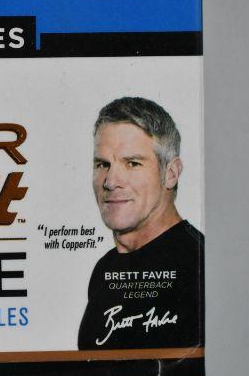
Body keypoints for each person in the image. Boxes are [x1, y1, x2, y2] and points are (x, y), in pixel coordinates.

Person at [78, 97, 204, 355]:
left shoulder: (200, 266)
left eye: (132, 163)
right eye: (102, 164)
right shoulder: (106, 269)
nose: (110, 181)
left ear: (171, 173)